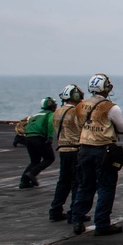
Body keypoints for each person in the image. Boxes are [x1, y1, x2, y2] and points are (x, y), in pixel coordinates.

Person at [72, 73, 123, 236]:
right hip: (103, 149)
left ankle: (77, 218)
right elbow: (122, 128)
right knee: (106, 187)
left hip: (84, 148)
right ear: (106, 88)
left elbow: (78, 124)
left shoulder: (80, 105)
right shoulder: (110, 107)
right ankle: (102, 223)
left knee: (85, 185)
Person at [49, 85, 84, 222]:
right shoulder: (76, 112)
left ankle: (55, 211)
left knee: (63, 182)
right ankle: (74, 213)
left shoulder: (57, 112)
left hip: (62, 149)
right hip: (75, 149)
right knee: (77, 183)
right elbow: (81, 128)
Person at [20, 97, 56, 189]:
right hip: (39, 137)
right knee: (49, 158)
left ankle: (24, 181)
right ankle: (32, 173)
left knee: (34, 161)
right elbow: (51, 123)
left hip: (28, 138)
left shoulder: (37, 114)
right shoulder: (50, 114)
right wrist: (50, 137)